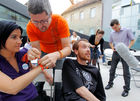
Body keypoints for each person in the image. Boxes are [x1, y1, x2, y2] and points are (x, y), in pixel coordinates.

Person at [26, 0, 71, 100]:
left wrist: (56, 55)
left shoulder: (60, 21)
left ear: (50, 14)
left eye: (44, 21)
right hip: (43, 52)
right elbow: (37, 53)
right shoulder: (30, 26)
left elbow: (67, 49)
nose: (40, 25)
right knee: (39, 81)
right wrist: (44, 72)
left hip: (60, 53)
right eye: (35, 21)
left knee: (58, 81)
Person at [0, 20, 52, 101]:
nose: (20, 42)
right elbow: (12, 88)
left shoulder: (21, 54)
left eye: (20, 37)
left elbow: (31, 64)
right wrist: (42, 66)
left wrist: (32, 53)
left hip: (35, 97)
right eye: (14, 37)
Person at [105, 19, 135, 97]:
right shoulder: (112, 33)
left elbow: (132, 40)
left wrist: (127, 47)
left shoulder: (127, 30)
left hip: (125, 53)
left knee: (126, 72)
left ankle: (126, 89)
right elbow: (110, 42)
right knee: (112, 70)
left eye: (115, 27)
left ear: (118, 24)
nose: (114, 29)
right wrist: (112, 48)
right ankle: (110, 83)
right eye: (113, 28)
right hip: (115, 53)